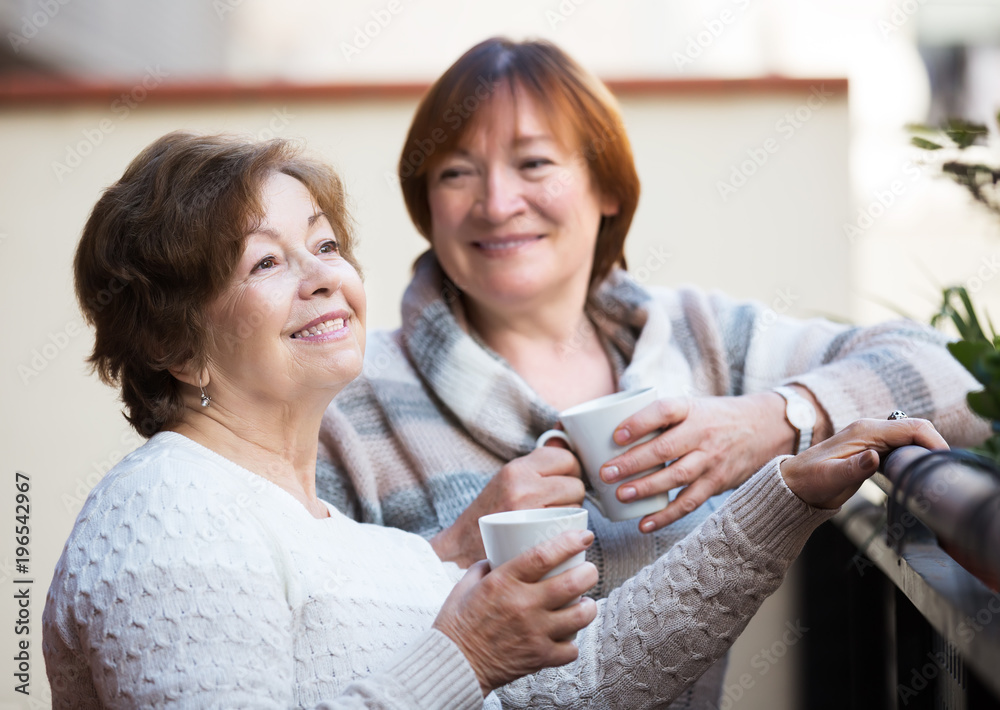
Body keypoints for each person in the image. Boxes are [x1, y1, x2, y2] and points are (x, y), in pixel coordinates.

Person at [43, 131, 944, 708]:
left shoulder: (358, 545)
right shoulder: (167, 510)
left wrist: (787, 493)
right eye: (265, 262)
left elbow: (585, 686)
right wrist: (464, 655)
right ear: (177, 343)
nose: (323, 274)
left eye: (325, 243)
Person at [315, 36, 990, 707]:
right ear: (426, 203)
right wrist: (450, 551)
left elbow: (958, 380)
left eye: (533, 163)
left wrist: (775, 421)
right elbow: (314, 643)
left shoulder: (697, 338)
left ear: (607, 186)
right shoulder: (349, 393)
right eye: (457, 172)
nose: (496, 202)